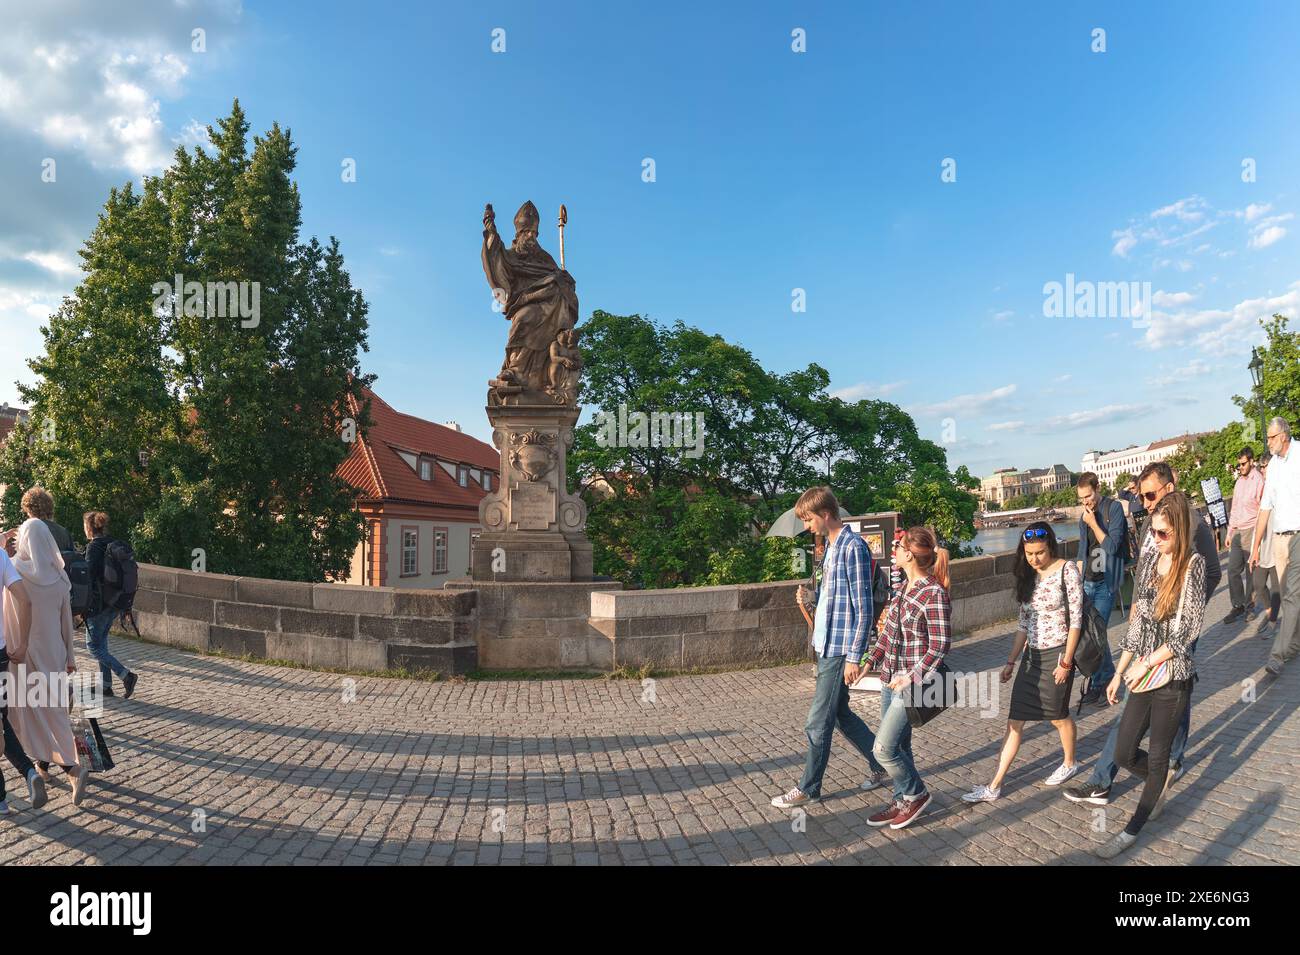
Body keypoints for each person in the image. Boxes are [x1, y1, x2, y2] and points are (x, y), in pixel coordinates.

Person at [1063, 461, 1220, 805]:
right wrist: (1139, 607)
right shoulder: (1152, 519)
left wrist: (1183, 614)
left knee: (1144, 699)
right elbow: (1145, 568)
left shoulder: (1191, 522)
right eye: (1140, 495)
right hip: (1147, 625)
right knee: (1176, 693)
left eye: (1149, 495)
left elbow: (1212, 573)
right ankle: (1172, 759)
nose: (1144, 502)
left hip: (1175, 631)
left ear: (1168, 486)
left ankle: (1103, 780)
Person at [1096, 491, 1206, 858]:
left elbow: (1186, 632)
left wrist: (1147, 662)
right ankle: (1157, 785)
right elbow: (1137, 625)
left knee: (1158, 755)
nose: (1156, 539)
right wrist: (1119, 671)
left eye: (1163, 533)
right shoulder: (1150, 562)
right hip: (1144, 674)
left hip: (1173, 676)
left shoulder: (1193, 565)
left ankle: (1131, 830)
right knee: (1125, 752)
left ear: (1181, 530)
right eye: (1153, 532)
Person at [771, 487, 887, 809]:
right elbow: (832, 601)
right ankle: (883, 763)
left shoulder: (853, 548)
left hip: (839, 650)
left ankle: (809, 788)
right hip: (825, 645)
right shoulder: (831, 548)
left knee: (817, 721)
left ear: (824, 514)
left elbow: (863, 609)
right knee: (841, 715)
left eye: (808, 520)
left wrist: (854, 657)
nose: (807, 527)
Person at [962, 523, 1083, 802]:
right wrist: (1010, 662)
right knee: (1014, 721)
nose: (1034, 559)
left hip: (1058, 653)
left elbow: (1076, 620)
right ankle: (995, 785)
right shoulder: (1029, 577)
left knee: (1057, 716)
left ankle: (1069, 762)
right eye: (1029, 553)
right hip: (1032, 658)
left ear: (1050, 546)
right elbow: (1023, 624)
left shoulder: (1067, 570)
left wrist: (1066, 662)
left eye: (1039, 552)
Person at [862, 526, 951, 830]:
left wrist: (911, 678)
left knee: (882, 749)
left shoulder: (933, 592)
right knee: (901, 746)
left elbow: (940, 646)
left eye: (898, 547)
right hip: (889, 679)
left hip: (913, 685)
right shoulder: (901, 590)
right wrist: (869, 662)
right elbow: (887, 635)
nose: (893, 551)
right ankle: (902, 800)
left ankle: (916, 793)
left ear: (910, 554)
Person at [3, 519, 88, 806]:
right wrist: (71, 657)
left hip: (24, 653)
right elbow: (67, 622)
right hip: (54, 652)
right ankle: (49, 766)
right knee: (52, 712)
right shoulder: (59, 575)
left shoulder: (16, 569)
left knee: (27, 716)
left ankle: (69, 768)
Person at [0, 530, 48, 813]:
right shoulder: (2, 558)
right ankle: (29, 773)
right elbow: (25, 600)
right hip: (1, 653)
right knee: (1, 719)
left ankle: (3, 798)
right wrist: (23, 642)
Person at [1249, 417, 1300, 675]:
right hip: (1279, 538)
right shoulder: (1274, 467)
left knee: (1290, 594)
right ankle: (1296, 643)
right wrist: (1256, 546)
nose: (1267, 442)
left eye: (1270, 437)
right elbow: (1265, 507)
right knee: (1292, 594)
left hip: (1299, 536)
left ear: (1283, 435)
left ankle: (1278, 656)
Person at [1075, 472, 1127, 705]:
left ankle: (1099, 682)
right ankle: (1104, 676)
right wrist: (1075, 582)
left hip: (1106, 581)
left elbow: (1112, 547)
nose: (1086, 501)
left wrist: (1094, 523)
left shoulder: (1112, 509)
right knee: (1090, 634)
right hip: (1087, 580)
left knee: (1098, 633)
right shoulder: (1083, 518)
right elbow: (1081, 552)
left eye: (1088, 496)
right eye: (1081, 498)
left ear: (1097, 489)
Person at [83, 512, 137, 698]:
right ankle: (106, 686)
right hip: (116, 602)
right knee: (102, 644)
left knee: (93, 646)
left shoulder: (94, 547)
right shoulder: (113, 542)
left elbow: (88, 577)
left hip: (99, 604)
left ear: (89, 528)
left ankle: (125, 675)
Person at [1224, 447, 1265, 624]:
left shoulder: (1259, 481)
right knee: (1233, 570)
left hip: (1251, 529)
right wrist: (1229, 531)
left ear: (1251, 461)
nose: (1240, 467)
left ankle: (1250, 606)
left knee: (1250, 571)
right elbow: (1234, 508)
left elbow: (1263, 508)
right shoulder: (1239, 482)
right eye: (1238, 464)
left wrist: (1258, 534)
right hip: (1237, 530)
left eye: (1242, 464)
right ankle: (1238, 605)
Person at [1251, 453, 1281, 632]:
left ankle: (1273, 622)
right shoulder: (1263, 490)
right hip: (1263, 546)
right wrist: (1255, 548)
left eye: (1266, 465)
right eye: (1261, 466)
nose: (1263, 469)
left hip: (1277, 546)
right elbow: (1258, 521)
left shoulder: (1279, 488)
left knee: (1277, 588)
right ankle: (1271, 613)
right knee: (1259, 584)